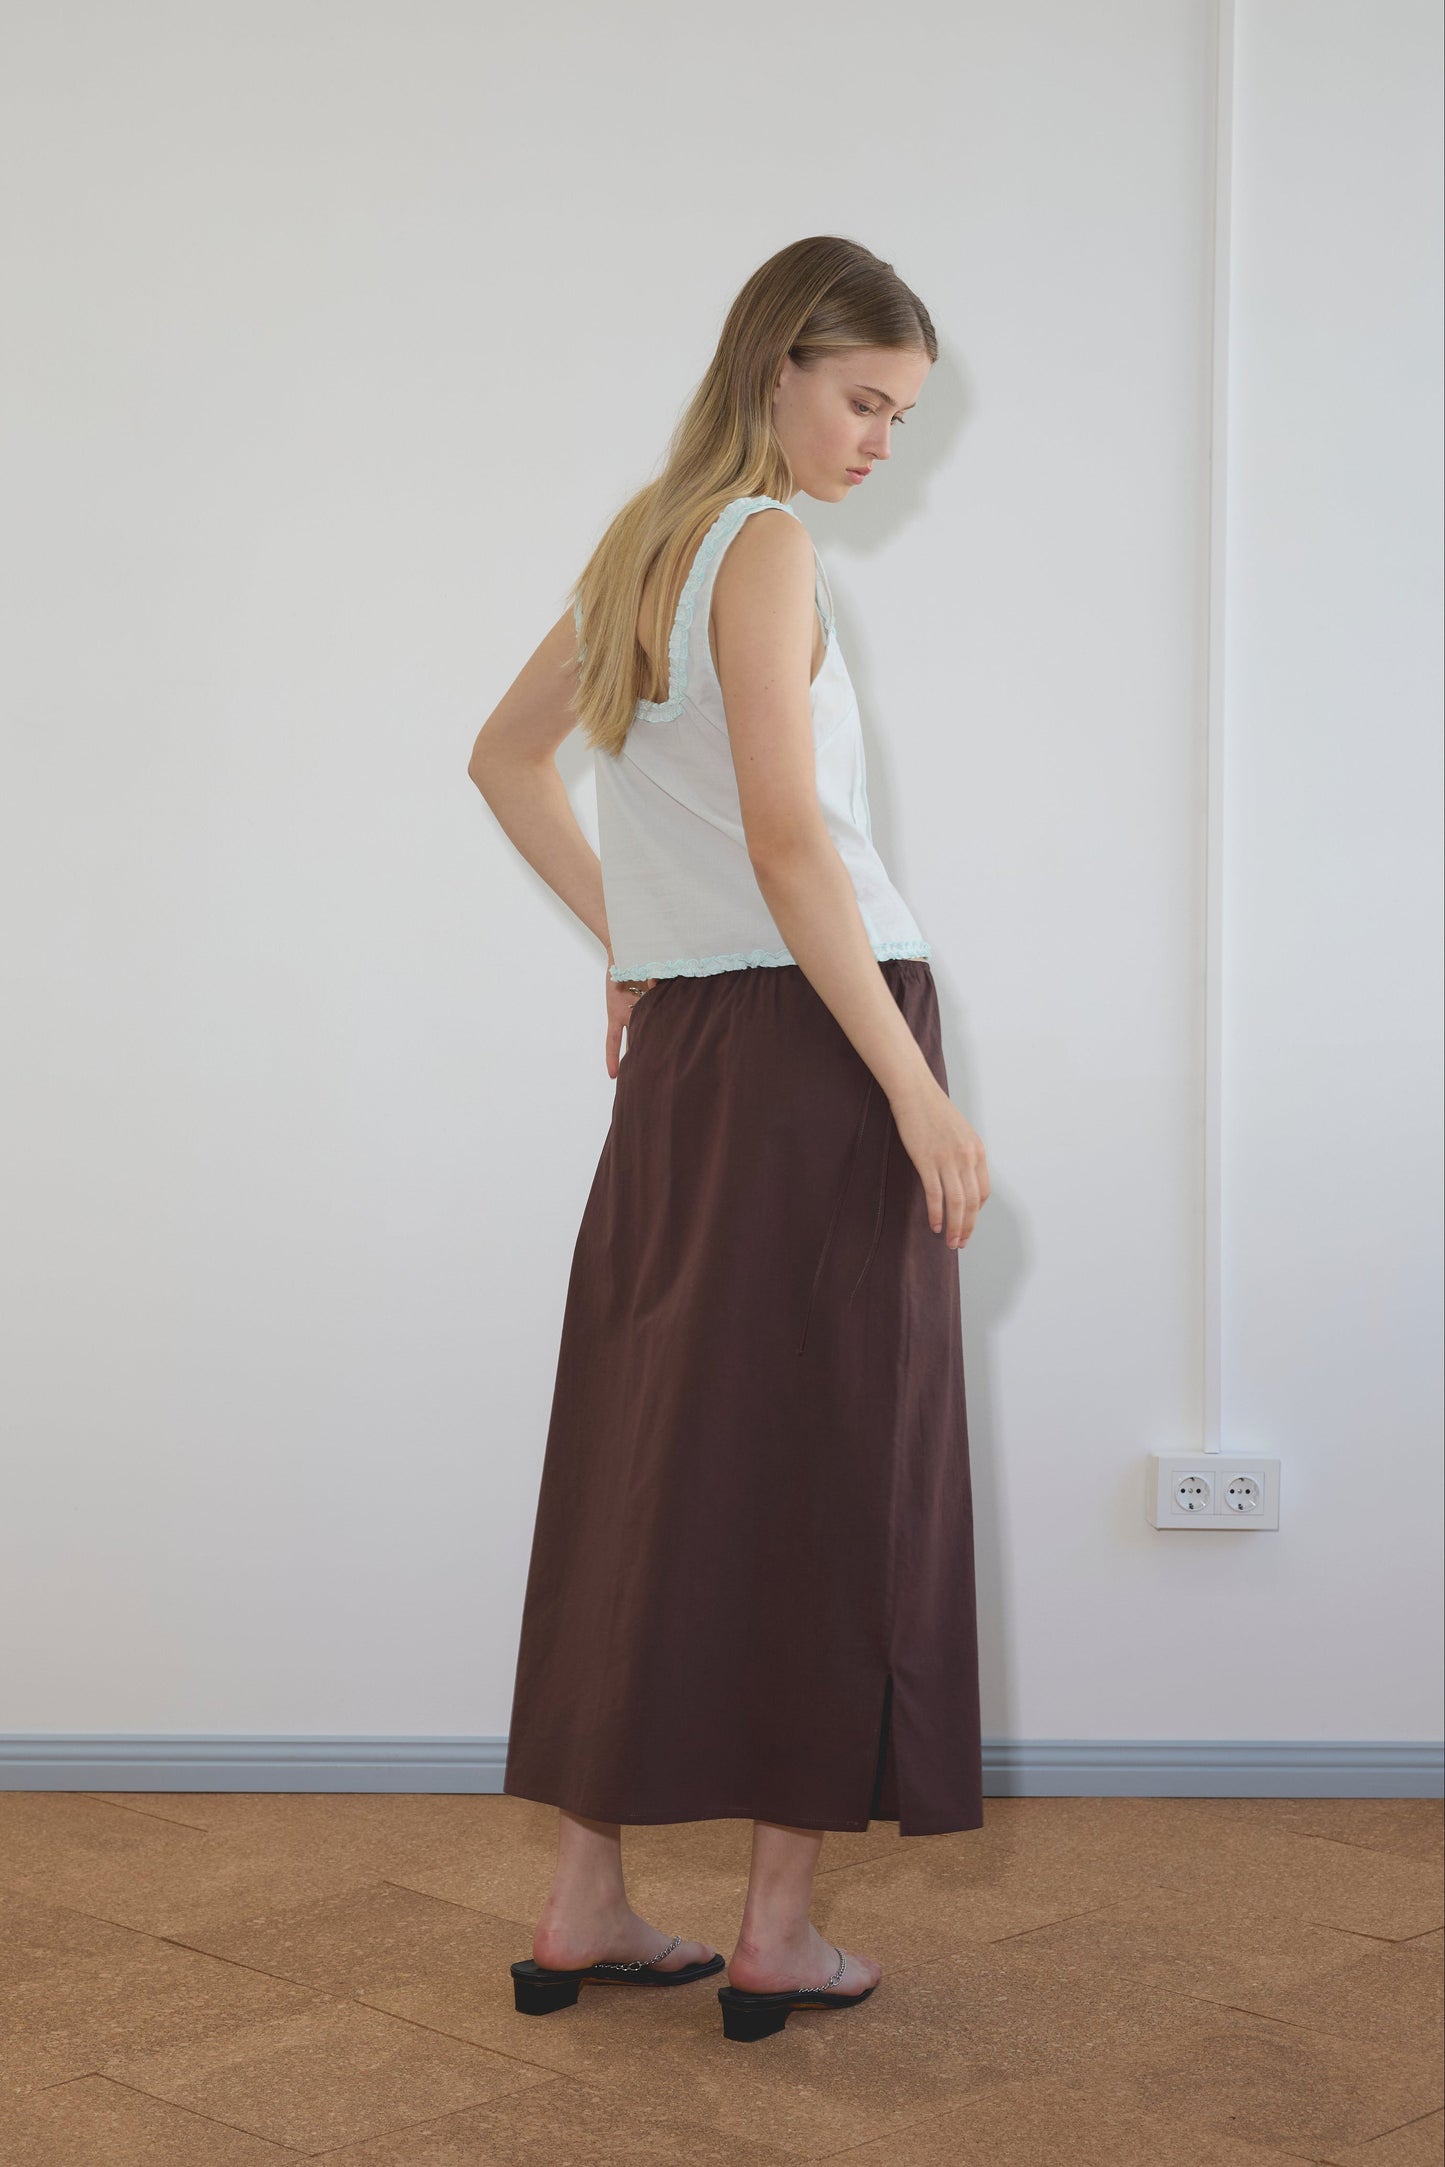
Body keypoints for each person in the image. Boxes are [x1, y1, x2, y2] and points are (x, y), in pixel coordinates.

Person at [467, 235, 989, 2042]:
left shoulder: (640, 545)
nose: (877, 445)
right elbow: (788, 842)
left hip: (695, 1048)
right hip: (815, 1044)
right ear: (775, 363)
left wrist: (634, 942)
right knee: (826, 1463)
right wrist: (912, 1089)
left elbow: (503, 759)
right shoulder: (759, 545)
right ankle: (774, 1929)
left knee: (653, 1443)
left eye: (901, 421)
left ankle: (585, 1900)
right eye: (861, 400)